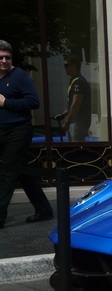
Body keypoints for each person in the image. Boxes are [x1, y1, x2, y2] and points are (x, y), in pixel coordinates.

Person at [0, 40, 53, 228]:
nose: (4, 61)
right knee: (21, 171)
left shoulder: (20, 76)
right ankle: (44, 209)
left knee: (7, 171)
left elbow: (33, 102)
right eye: (1, 57)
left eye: (7, 57)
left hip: (19, 130)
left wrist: (7, 103)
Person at [54, 54, 92, 141]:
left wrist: (67, 121)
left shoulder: (78, 82)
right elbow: (73, 104)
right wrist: (63, 115)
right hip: (74, 122)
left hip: (77, 122)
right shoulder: (75, 81)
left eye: (66, 65)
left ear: (74, 66)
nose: (65, 68)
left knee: (76, 149)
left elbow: (76, 103)